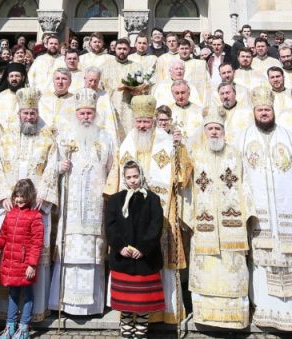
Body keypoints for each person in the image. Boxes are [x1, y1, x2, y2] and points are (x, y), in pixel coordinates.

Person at [104, 95, 189, 325]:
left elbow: (182, 175)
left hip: (159, 208)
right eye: (139, 121)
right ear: (134, 120)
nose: (142, 125)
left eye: (146, 121)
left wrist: (180, 149)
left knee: (159, 256)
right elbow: (116, 179)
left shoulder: (167, 141)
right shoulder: (127, 143)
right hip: (129, 215)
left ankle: (166, 310)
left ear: (153, 120)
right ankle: (132, 312)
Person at [238, 87, 292, 331]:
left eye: (267, 110)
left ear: (273, 111)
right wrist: (245, 208)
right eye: (260, 110)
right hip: (259, 214)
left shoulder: (289, 137)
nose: (264, 113)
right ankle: (265, 309)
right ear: (254, 112)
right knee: (262, 261)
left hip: (288, 212)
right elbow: (238, 177)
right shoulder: (243, 138)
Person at [0, 88, 58, 322]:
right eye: (25, 113)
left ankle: (31, 314)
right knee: (5, 256)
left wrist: (43, 196)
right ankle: (3, 313)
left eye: (32, 113)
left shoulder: (47, 139)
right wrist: (1, 196)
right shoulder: (5, 138)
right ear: (19, 114)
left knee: (32, 255)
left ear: (37, 113)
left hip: (35, 210)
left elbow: (52, 169)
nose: (29, 117)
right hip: (8, 208)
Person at [184, 108, 254, 329]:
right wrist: (188, 216)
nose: (214, 132)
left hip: (231, 227)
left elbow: (246, 183)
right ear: (204, 131)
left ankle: (234, 318)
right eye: (210, 128)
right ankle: (206, 316)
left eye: (217, 128)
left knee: (232, 272)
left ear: (224, 131)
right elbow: (187, 189)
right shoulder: (195, 154)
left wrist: (249, 212)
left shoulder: (234, 154)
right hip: (204, 226)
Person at [49, 88, 115, 317]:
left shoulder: (105, 136)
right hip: (71, 206)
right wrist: (60, 167)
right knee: (70, 251)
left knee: (93, 252)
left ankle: (94, 305)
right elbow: (51, 164)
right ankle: (65, 304)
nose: (86, 117)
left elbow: (112, 167)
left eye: (89, 113)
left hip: (95, 205)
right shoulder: (65, 136)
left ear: (95, 114)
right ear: (76, 114)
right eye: (82, 113)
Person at [105, 160, 165, 339]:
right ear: (124, 178)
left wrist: (144, 248)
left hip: (146, 260)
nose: (133, 180)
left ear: (141, 176)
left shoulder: (152, 199)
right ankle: (126, 333)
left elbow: (156, 226)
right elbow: (110, 226)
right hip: (123, 260)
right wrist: (120, 247)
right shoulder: (116, 200)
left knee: (142, 305)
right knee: (125, 306)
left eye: (135, 176)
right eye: (129, 177)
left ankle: (140, 333)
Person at [0, 179, 45, 339]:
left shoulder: (35, 216)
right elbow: (3, 237)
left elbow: (36, 243)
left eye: (23, 196)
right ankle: (10, 326)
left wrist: (32, 265)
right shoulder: (10, 214)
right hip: (10, 263)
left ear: (30, 197)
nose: (19, 200)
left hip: (25, 264)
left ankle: (24, 328)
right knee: (12, 295)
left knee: (28, 296)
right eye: (17, 196)